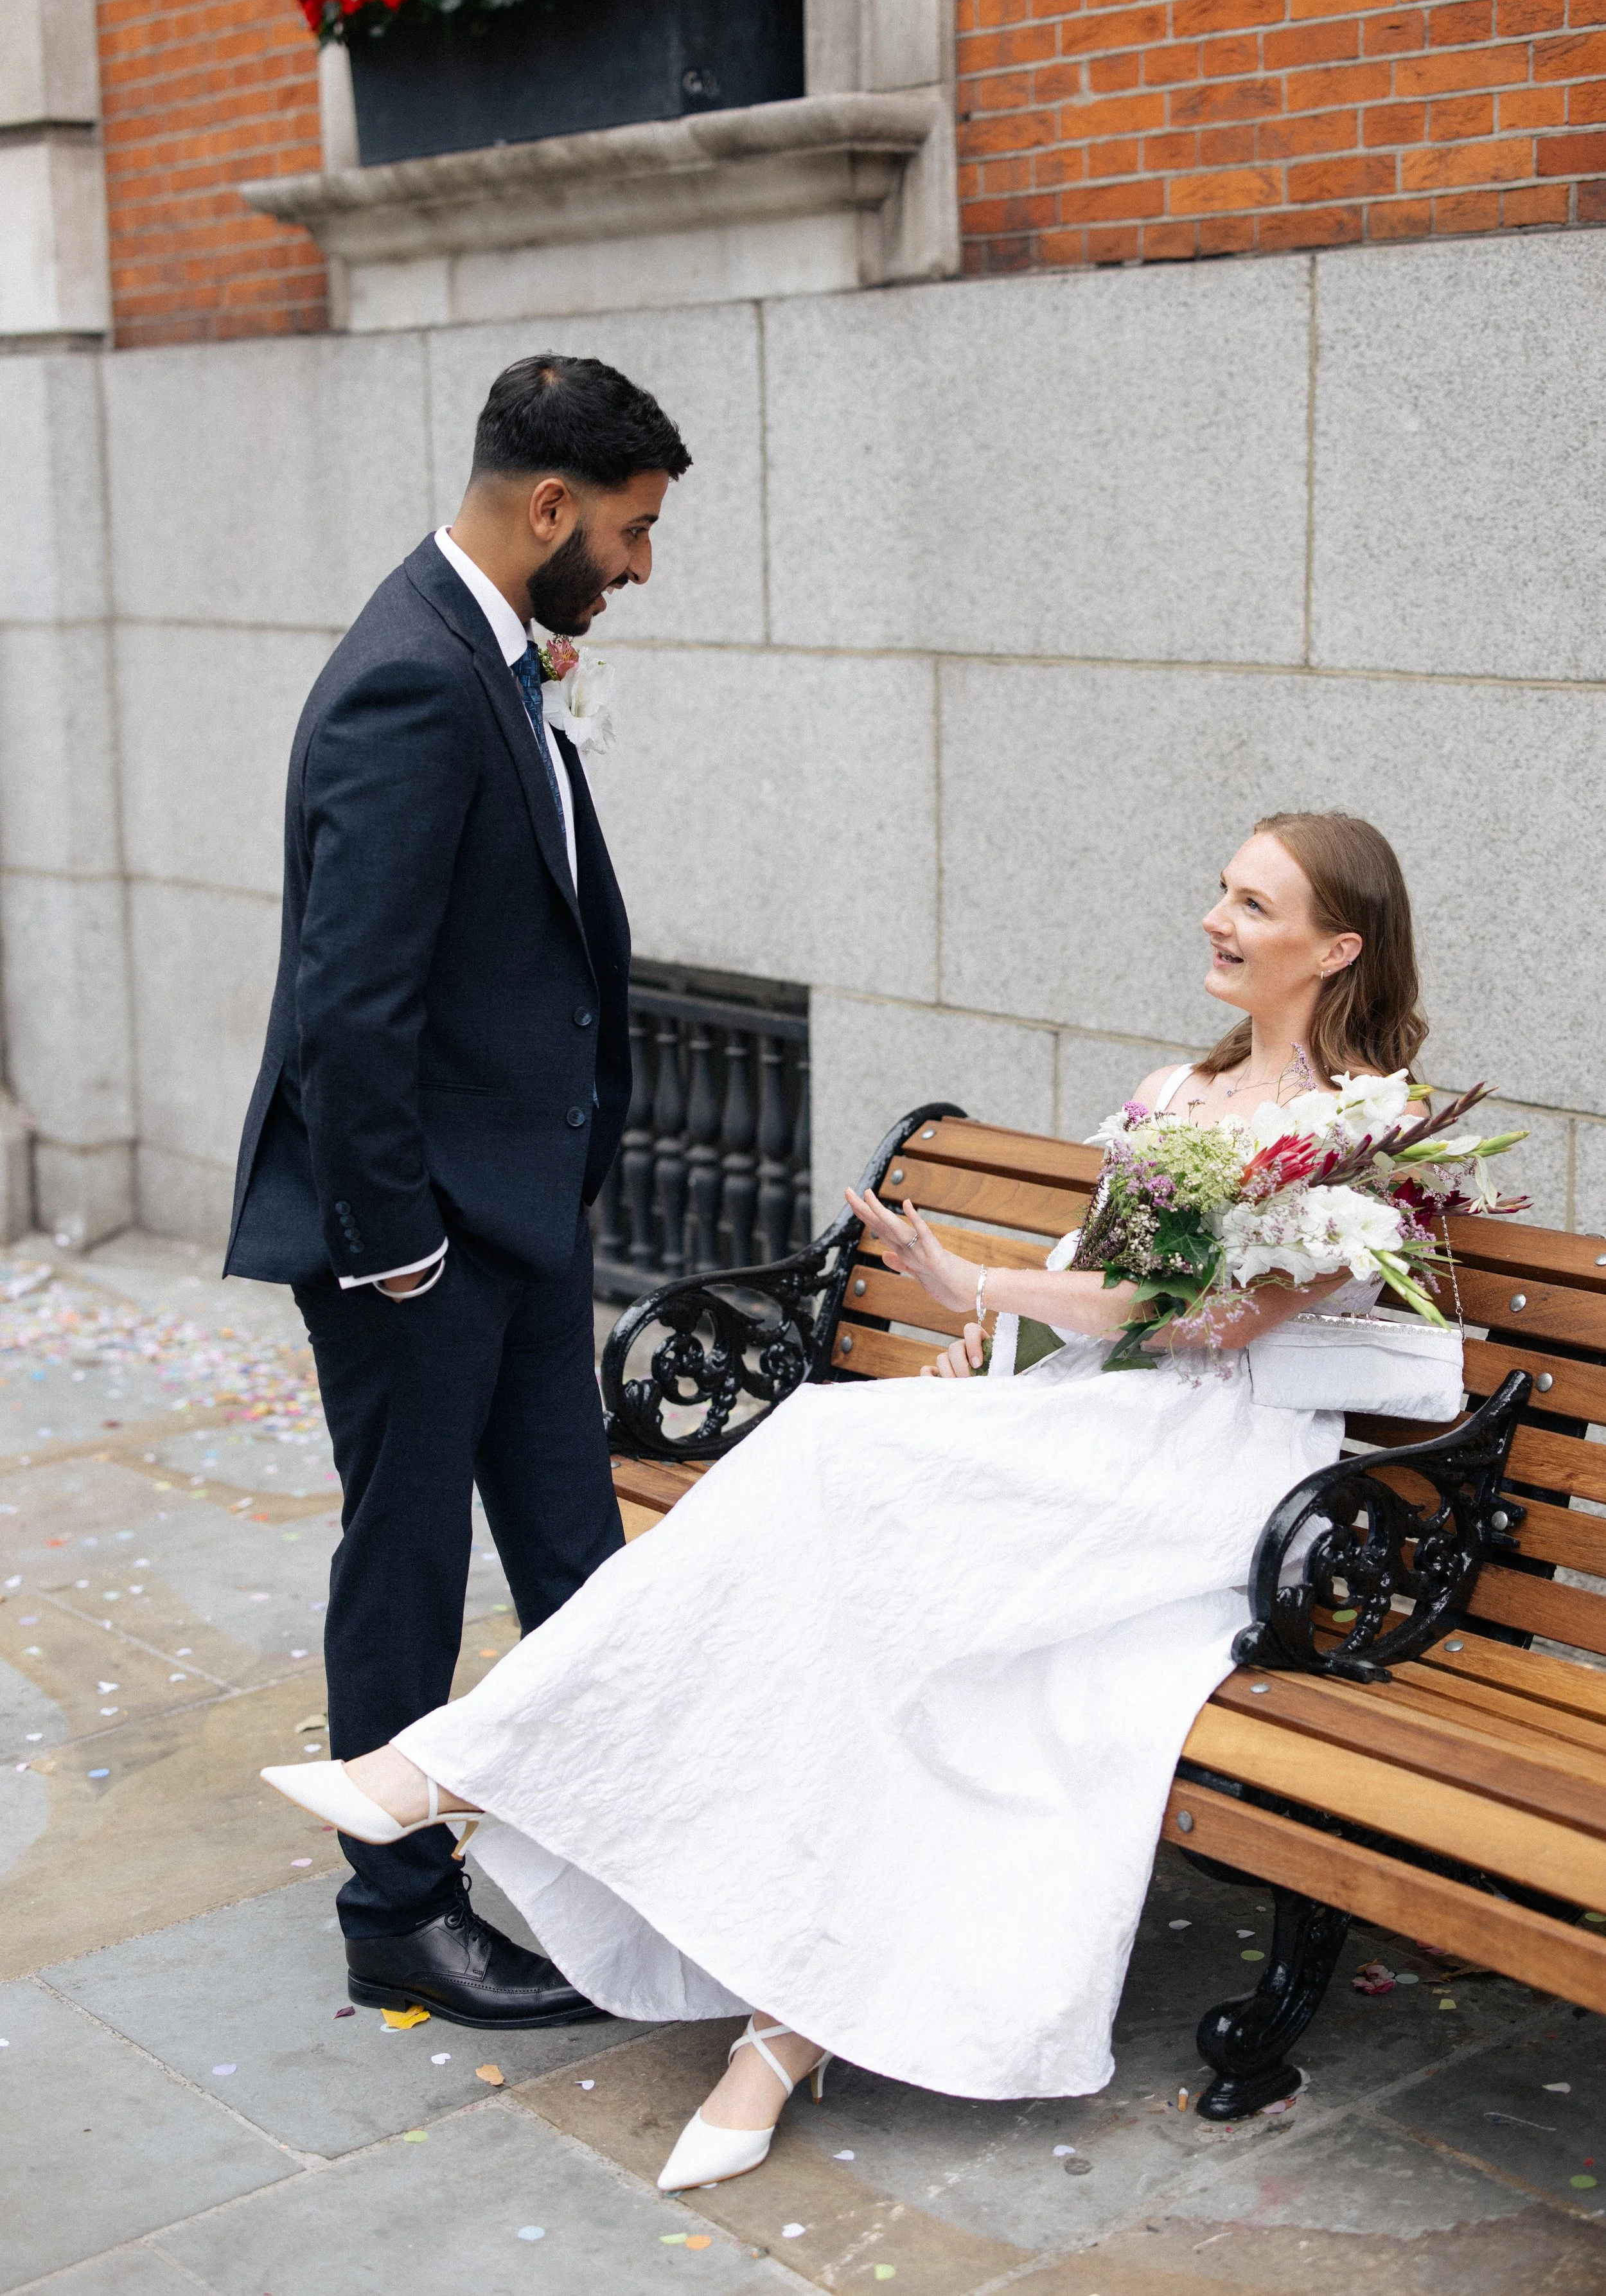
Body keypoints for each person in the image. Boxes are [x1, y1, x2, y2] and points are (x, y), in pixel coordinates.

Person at [262, 811, 1427, 2173]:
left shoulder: (1361, 1131)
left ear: (1335, 947)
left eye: (1253, 904)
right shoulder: (1175, 1095)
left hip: (1216, 1468)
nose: (1217, 920)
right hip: (1089, 1421)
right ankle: (774, 2027)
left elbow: (1211, 1323)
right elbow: (1099, 1295)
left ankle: (452, 1772)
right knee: (886, 1630)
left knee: (823, 1453)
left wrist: (973, 1284)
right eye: (1218, 890)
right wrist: (977, 1349)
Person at [231, 354, 691, 2025]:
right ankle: (395, 1910)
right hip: (424, 1240)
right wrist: (398, 1249)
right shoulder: (408, 678)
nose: (640, 566)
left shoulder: (499, 656)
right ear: (549, 506)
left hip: (518, 1215)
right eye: (632, 532)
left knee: (575, 1550)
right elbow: (351, 998)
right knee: (409, 1561)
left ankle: (629, 1867)